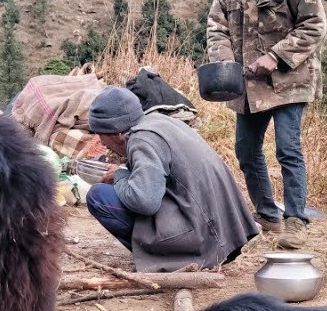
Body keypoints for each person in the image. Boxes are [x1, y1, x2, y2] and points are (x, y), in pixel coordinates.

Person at [207, 0, 327, 250]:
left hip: (290, 77)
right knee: (246, 150)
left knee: (287, 148)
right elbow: (216, 25)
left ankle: (296, 221)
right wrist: (224, 60)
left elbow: (315, 25)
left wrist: (276, 56)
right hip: (247, 82)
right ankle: (266, 214)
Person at [84, 87, 259, 273]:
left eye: (100, 134)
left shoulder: (141, 140)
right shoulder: (159, 121)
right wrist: (124, 172)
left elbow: (145, 202)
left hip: (205, 237)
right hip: (225, 231)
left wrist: (119, 176)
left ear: (117, 133)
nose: (101, 142)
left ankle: (166, 260)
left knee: (98, 196)